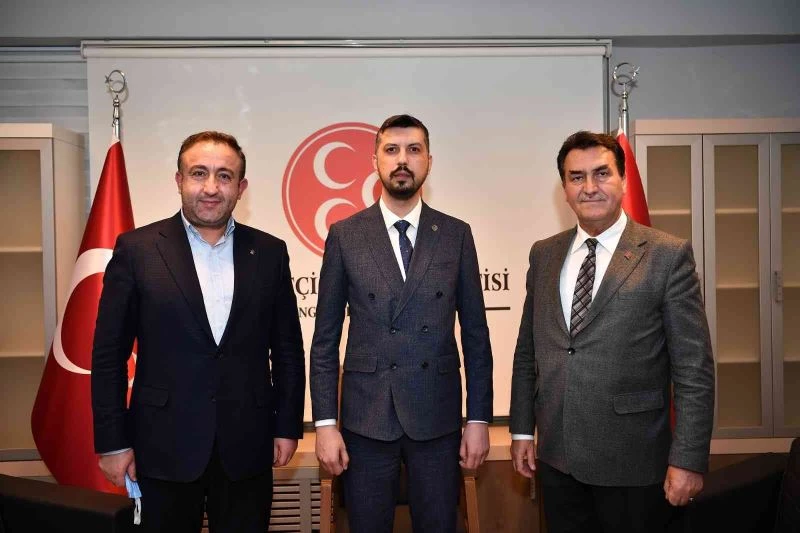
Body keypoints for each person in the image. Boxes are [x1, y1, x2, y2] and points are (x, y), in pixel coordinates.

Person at [91, 131, 306, 533]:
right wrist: (113, 441)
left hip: (247, 446)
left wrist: (287, 426)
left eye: (224, 176)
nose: (211, 187)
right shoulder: (137, 250)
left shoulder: (270, 252)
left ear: (241, 187)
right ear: (179, 180)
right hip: (161, 446)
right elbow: (108, 355)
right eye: (198, 173)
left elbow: (288, 351)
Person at [509, 131, 715, 533]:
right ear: (564, 190)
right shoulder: (544, 253)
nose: (590, 187)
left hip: (633, 462)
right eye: (577, 177)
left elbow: (694, 369)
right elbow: (527, 351)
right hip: (557, 459)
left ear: (622, 180)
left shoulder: (667, 255)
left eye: (601, 173)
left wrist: (688, 459)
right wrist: (521, 429)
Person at [310, 114, 493, 533]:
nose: (402, 160)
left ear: (429, 160)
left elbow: (476, 336)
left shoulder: (455, 234)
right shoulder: (346, 235)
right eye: (391, 150)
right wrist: (325, 424)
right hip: (366, 418)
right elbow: (324, 341)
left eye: (414, 150)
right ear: (375, 161)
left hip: (438, 417)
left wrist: (479, 418)